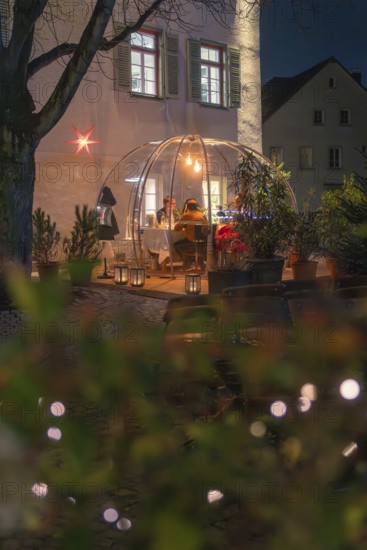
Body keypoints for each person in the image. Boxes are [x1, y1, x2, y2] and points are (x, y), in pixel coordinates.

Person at [173, 198, 209, 268]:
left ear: (187, 206)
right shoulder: (202, 215)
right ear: (196, 206)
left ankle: (188, 263)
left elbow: (176, 228)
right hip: (203, 242)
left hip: (192, 241)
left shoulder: (186, 215)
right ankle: (198, 261)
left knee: (176, 245)